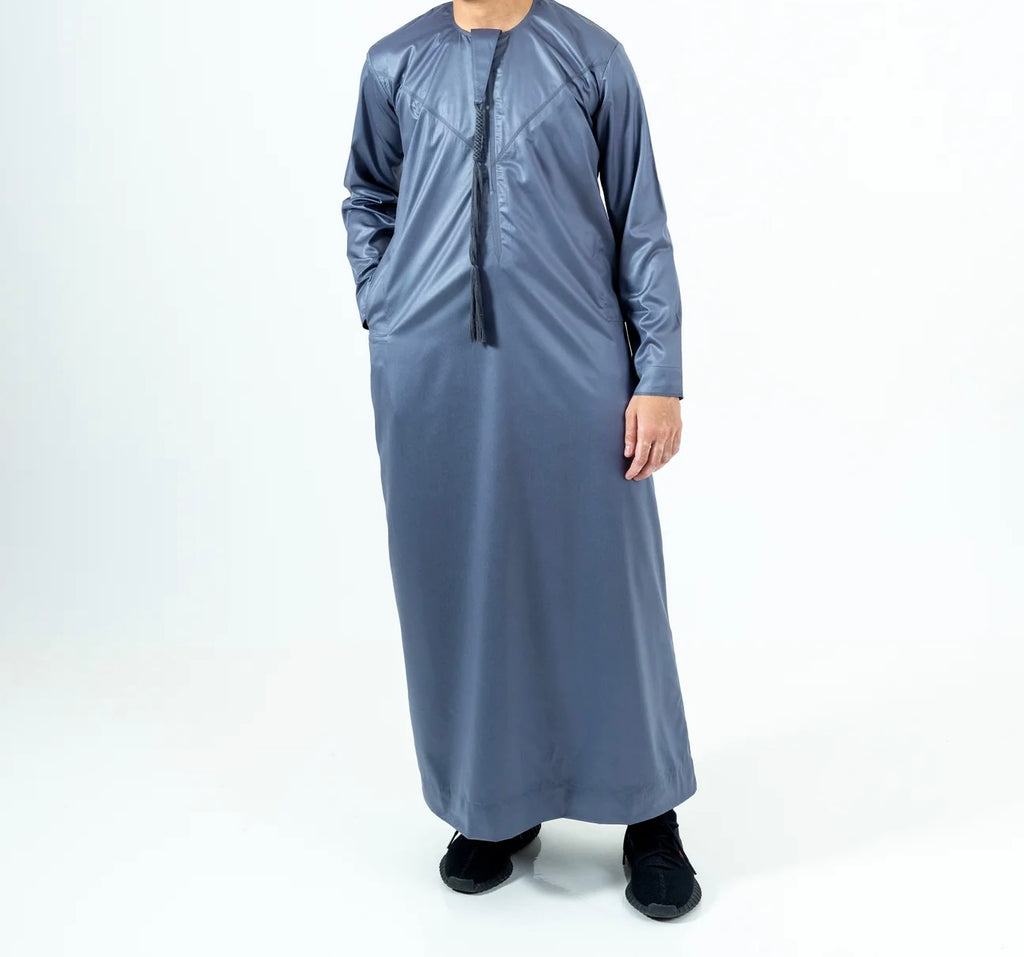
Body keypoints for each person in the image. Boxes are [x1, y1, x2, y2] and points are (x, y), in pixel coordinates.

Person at [342, 0, 700, 919]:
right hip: (430, 369)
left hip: (574, 360)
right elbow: (368, 195)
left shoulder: (592, 59)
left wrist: (658, 373)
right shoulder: (394, 63)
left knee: (607, 582)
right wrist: (386, 302)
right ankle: (494, 805)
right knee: (462, 581)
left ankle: (649, 813)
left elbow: (641, 218)